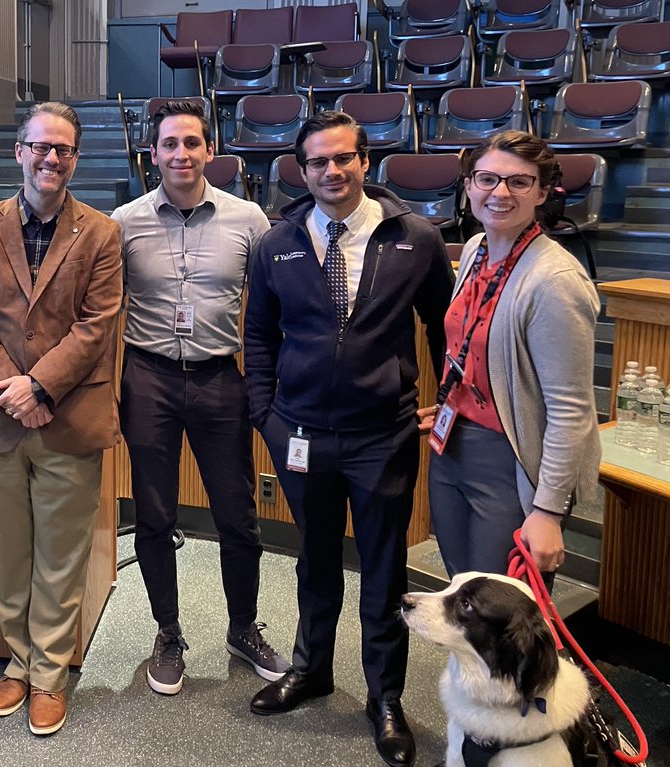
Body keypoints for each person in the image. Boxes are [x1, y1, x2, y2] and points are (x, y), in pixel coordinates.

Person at [243, 111, 453, 767]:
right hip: (300, 433)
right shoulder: (275, 243)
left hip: (381, 435)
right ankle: (312, 669)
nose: (331, 172)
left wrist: (447, 400)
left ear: (365, 160)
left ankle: (385, 696)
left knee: (384, 570)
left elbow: (447, 328)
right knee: (315, 560)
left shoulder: (415, 238)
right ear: (301, 171)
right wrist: (266, 416)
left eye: (344, 159)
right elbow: (259, 337)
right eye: (317, 163)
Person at [0, 102, 123, 736]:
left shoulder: (102, 233)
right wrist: (11, 390)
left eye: (64, 149)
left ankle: (50, 673)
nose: (51, 158)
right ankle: (17, 662)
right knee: (9, 548)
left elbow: (97, 325)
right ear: (20, 151)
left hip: (69, 415)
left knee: (60, 553)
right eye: (40, 146)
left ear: (74, 158)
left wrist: (40, 386)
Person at [110, 100, 281, 696]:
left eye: (192, 143)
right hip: (148, 378)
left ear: (210, 149)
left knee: (238, 514)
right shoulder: (124, 222)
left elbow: (269, 308)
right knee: (154, 515)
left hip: (217, 377)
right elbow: (104, 311)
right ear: (152, 154)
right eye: (169, 144)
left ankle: (242, 626)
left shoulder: (249, 219)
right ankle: (168, 632)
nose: (181, 154)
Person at [427, 131, 600, 577]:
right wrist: (456, 400)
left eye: (519, 183)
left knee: (498, 608)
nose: (500, 193)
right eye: (487, 179)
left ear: (542, 192)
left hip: (512, 459)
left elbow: (572, 410)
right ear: (468, 186)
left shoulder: (554, 279)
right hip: (453, 443)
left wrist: (547, 510)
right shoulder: (474, 250)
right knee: (462, 591)